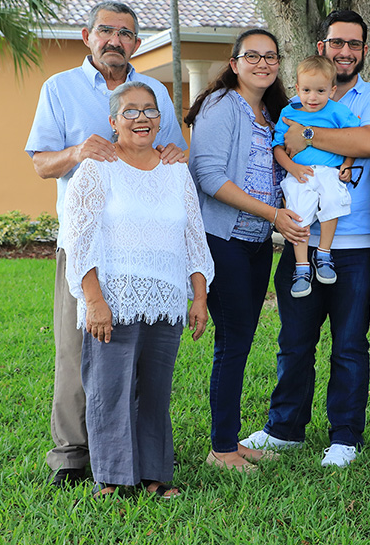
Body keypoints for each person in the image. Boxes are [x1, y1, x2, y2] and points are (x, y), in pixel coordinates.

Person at [25, 1, 186, 488]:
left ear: (137, 43)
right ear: (87, 36)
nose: (115, 39)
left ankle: (132, 454)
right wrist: (77, 151)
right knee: (80, 350)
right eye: (106, 31)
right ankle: (74, 455)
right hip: (88, 246)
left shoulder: (155, 89)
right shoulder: (60, 89)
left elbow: (171, 152)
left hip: (145, 249)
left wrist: (174, 152)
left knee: (139, 357)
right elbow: (40, 164)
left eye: (125, 33)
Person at [240, 10, 370, 467]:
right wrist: (315, 142)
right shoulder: (294, 97)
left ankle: (345, 437)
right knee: (294, 340)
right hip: (300, 240)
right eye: (336, 43)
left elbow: (369, 143)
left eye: (354, 44)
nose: (344, 51)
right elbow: (283, 149)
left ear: (364, 50)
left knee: (349, 344)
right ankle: (285, 428)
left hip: (356, 246)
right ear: (322, 46)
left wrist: (308, 133)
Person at [61, 82, 212, 499]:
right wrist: (94, 300)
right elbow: (80, 239)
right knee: (110, 391)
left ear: (161, 121)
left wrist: (198, 296)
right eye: (130, 111)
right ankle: (111, 477)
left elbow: (193, 239)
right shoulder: (97, 168)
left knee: (156, 392)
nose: (141, 118)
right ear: (113, 121)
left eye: (149, 111)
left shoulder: (175, 171)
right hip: (115, 299)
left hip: (165, 301)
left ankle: (153, 476)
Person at [186, 29, 308, 472]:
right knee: (232, 346)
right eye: (251, 56)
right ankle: (222, 450)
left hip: (257, 246)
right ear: (234, 64)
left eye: (271, 56)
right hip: (225, 242)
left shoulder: (273, 112)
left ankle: (231, 441)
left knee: (239, 342)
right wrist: (273, 215)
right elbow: (209, 177)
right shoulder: (222, 105)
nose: (263, 63)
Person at [272, 55, 361, 298]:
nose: (313, 97)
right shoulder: (288, 112)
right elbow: (277, 147)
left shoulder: (338, 112)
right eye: (307, 90)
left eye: (320, 91)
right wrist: (292, 168)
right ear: (297, 89)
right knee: (298, 215)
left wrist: (348, 164)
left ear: (332, 90)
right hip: (300, 173)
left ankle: (323, 253)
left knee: (333, 201)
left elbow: (355, 139)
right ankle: (302, 267)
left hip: (330, 172)